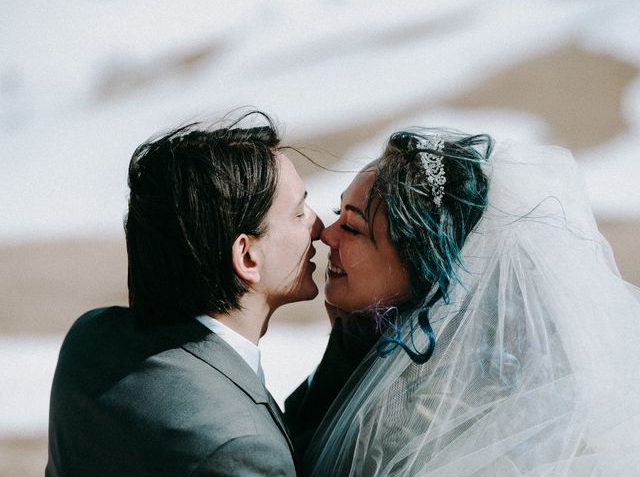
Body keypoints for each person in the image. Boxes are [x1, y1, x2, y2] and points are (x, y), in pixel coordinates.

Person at [288, 129, 640, 476]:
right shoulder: (371, 351)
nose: (326, 234)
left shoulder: (409, 423)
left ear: (419, 266)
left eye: (352, 227)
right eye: (338, 212)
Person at [46, 111, 322, 477]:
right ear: (246, 257)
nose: (320, 226)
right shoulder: (242, 449)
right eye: (300, 212)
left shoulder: (90, 340)